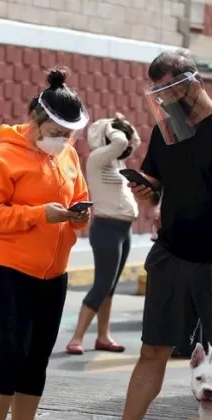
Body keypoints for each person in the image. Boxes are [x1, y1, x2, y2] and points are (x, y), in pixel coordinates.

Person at [86, 50, 212, 420]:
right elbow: (159, 187)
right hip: (171, 255)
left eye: (167, 90)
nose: (162, 101)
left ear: (190, 82)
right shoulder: (166, 132)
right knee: (152, 351)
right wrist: (146, 191)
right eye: (156, 93)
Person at [0, 68, 90, 420]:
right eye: (56, 129)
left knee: (37, 357)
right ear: (35, 119)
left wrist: (79, 216)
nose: (63, 137)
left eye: (69, 131)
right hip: (6, 269)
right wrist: (39, 214)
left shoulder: (69, 155)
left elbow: (77, 197)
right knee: (11, 351)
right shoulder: (1, 156)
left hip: (52, 273)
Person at [66, 113, 141, 355]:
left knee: (111, 286)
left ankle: (103, 336)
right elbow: (120, 142)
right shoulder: (98, 158)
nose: (127, 143)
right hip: (107, 229)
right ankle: (76, 338)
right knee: (102, 284)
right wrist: (110, 126)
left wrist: (125, 124)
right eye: (123, 137)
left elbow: (133, 142)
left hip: (123, 230)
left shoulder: (118, 163)